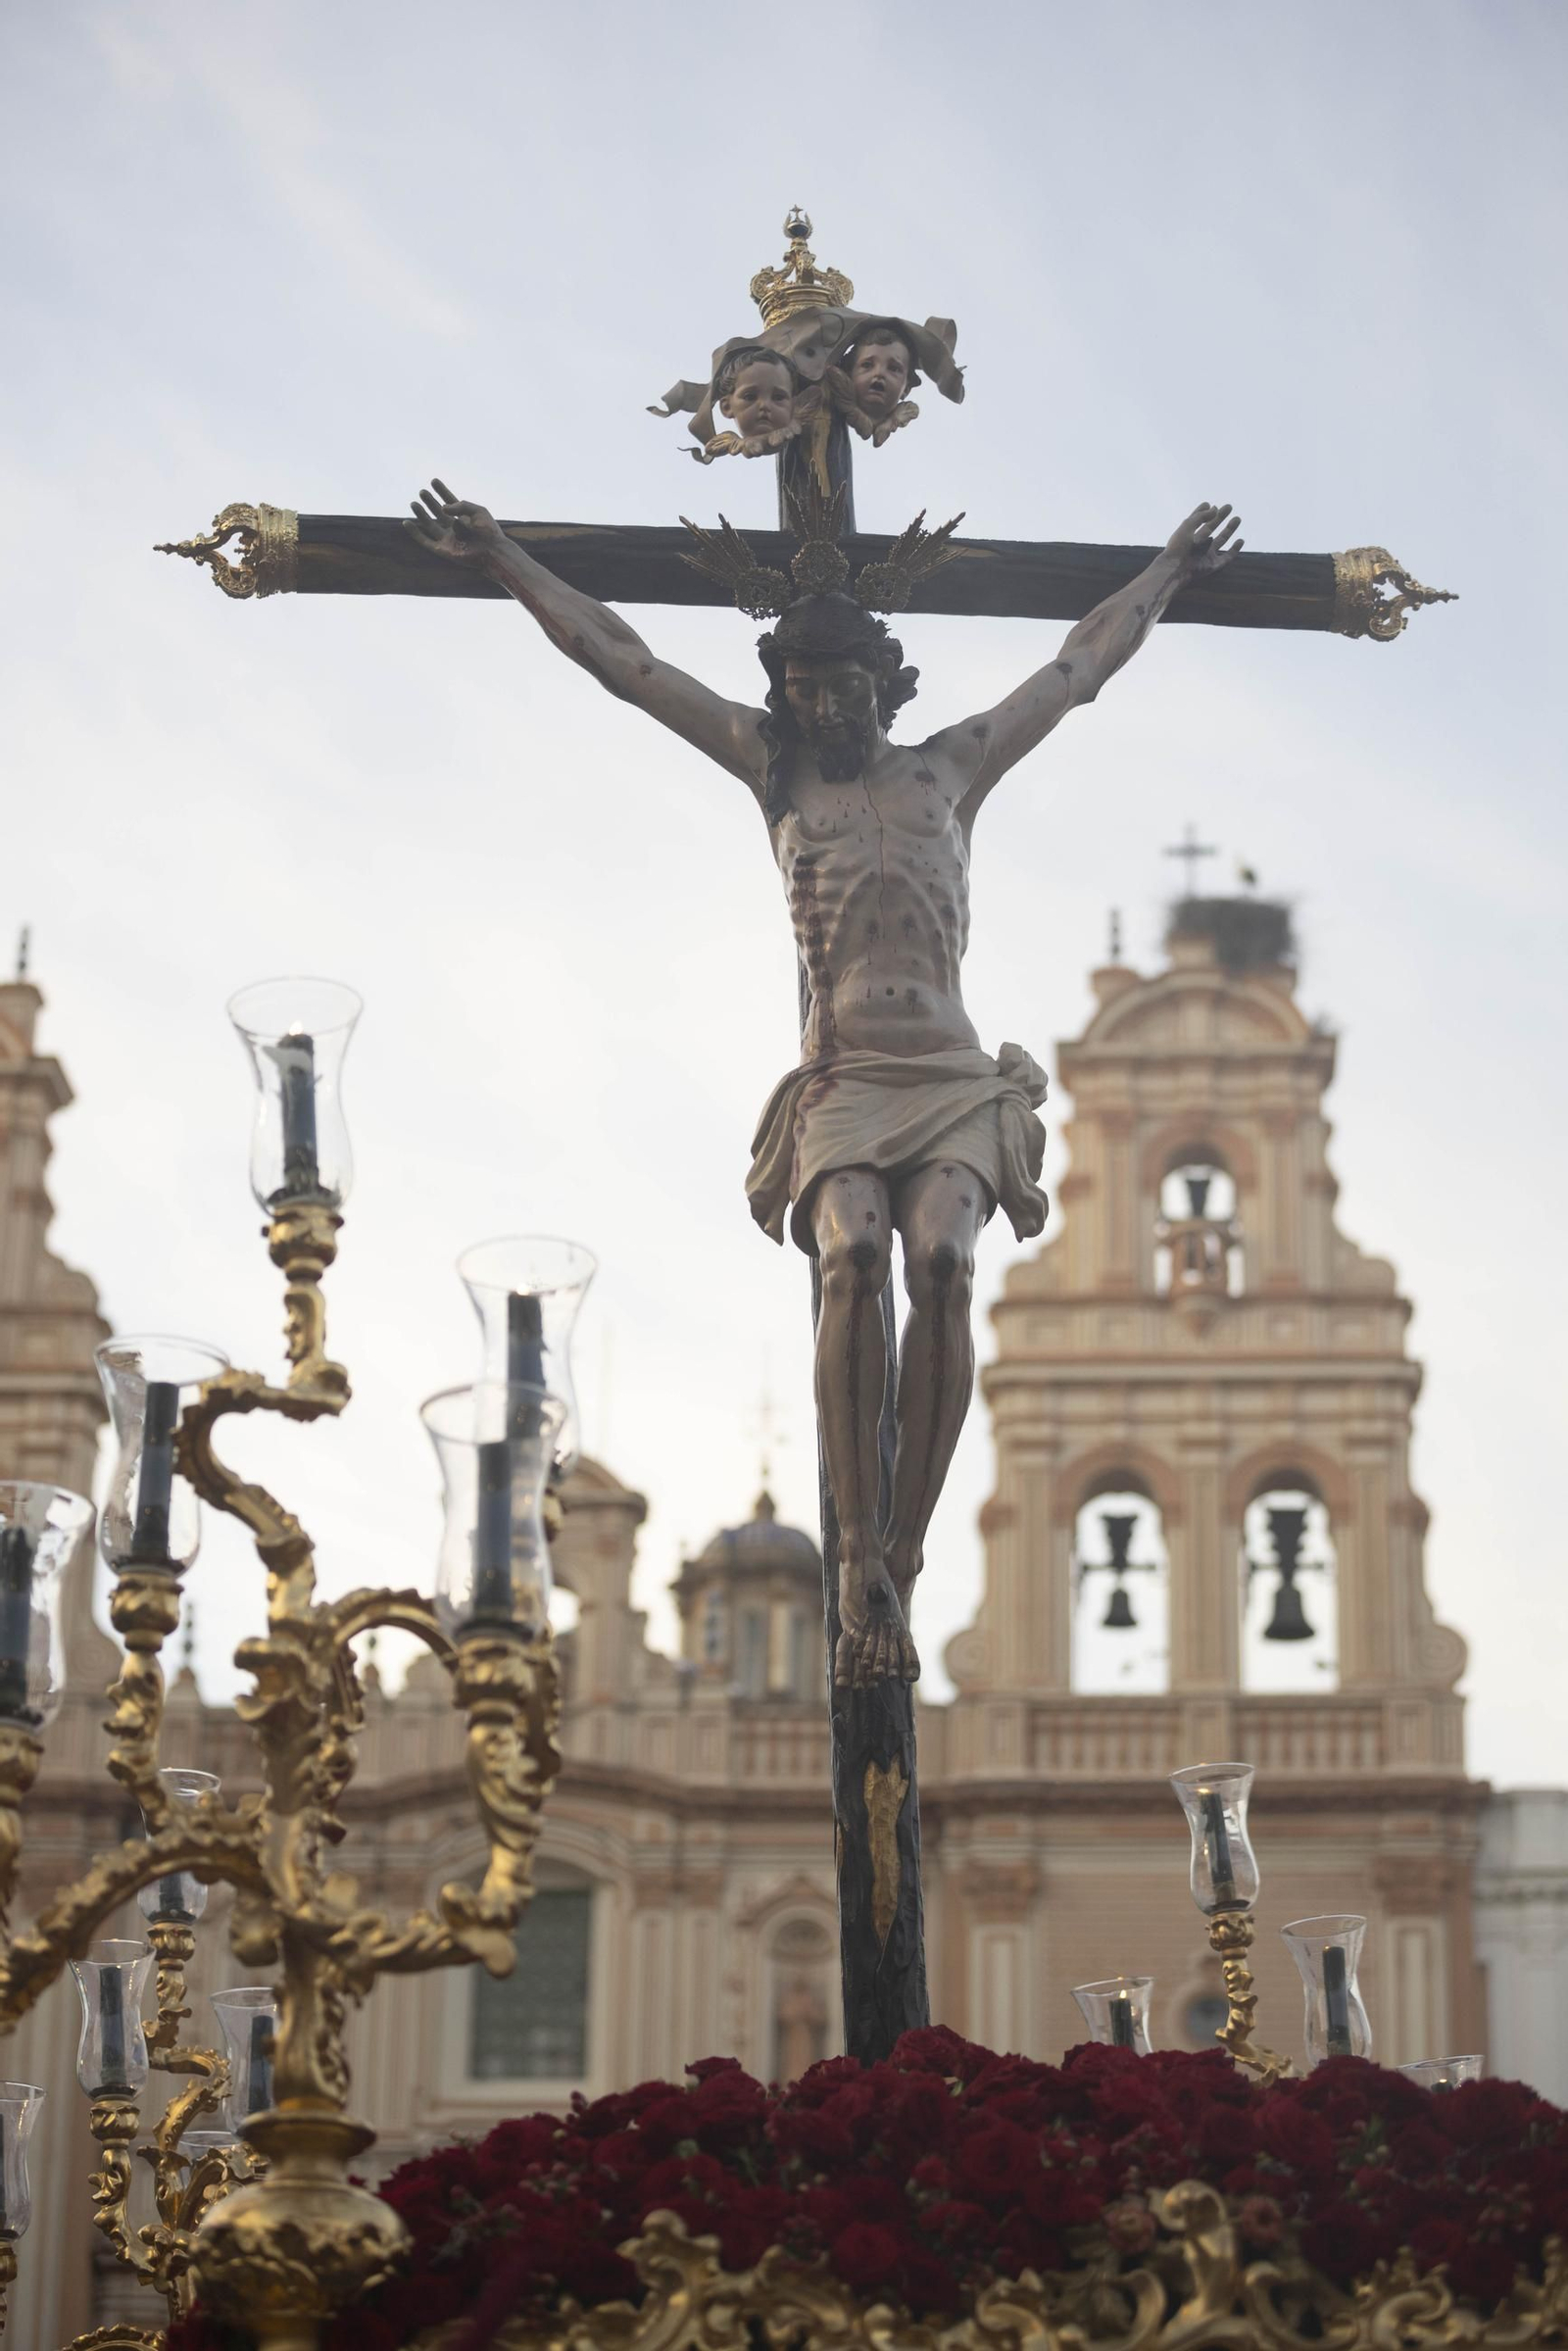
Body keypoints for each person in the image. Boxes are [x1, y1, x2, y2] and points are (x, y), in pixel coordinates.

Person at [406, 481, 1243, 1688]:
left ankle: (899, 1547)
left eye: (842, 689)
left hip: (949, 1072)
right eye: (801, 691)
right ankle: (854, 1545)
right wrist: (502, 558)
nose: (822, 707)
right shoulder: (774, 775)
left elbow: (1073, 670)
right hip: (843, 1074)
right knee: (851, 1252)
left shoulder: (950, 768)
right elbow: (628, 664)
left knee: (944, 1264)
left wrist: (1165, 569)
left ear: (881, 687)